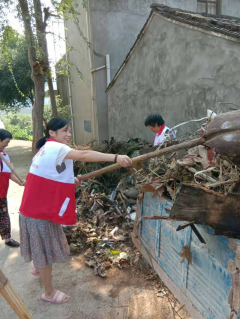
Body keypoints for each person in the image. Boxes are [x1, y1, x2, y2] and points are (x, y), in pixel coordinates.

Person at [19, 117, 132, 304]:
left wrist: (70, 180)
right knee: (45, 251)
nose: (69, 134)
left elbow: (50, 176)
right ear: (52, 133)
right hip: (37, 213)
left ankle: (39, 268)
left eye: (69, 130)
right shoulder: (56, 148)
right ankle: (48, 292)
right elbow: (84, 155)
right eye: (64, 131)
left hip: (32, 209)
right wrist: (115, 158)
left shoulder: (45, 149)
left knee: (41, 245)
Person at [0, 129, 25, 247]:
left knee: (4, 217)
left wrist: (19, 181)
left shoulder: (5, 155)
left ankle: (7, 238)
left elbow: (8, 173)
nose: (7, 144)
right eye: (6, 141)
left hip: (2, 194)